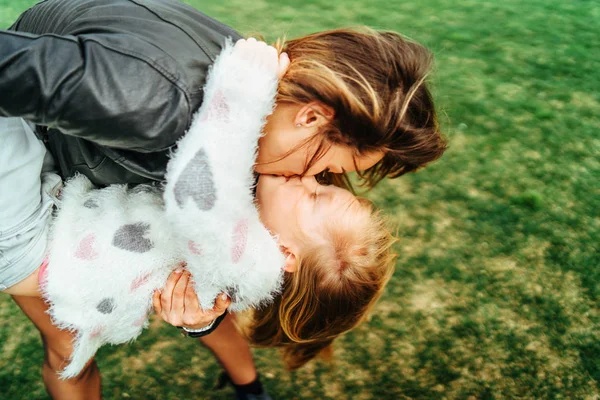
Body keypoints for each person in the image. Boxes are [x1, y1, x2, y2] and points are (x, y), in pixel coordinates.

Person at [0, 0, 446, 398]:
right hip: (28, 189)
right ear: (312, 117)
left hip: (71, 187)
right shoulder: (151, 102)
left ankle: (248, 388)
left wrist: (203, 314)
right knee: (68, 346)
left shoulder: (258, 119)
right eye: (330, 169)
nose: (319, 177)